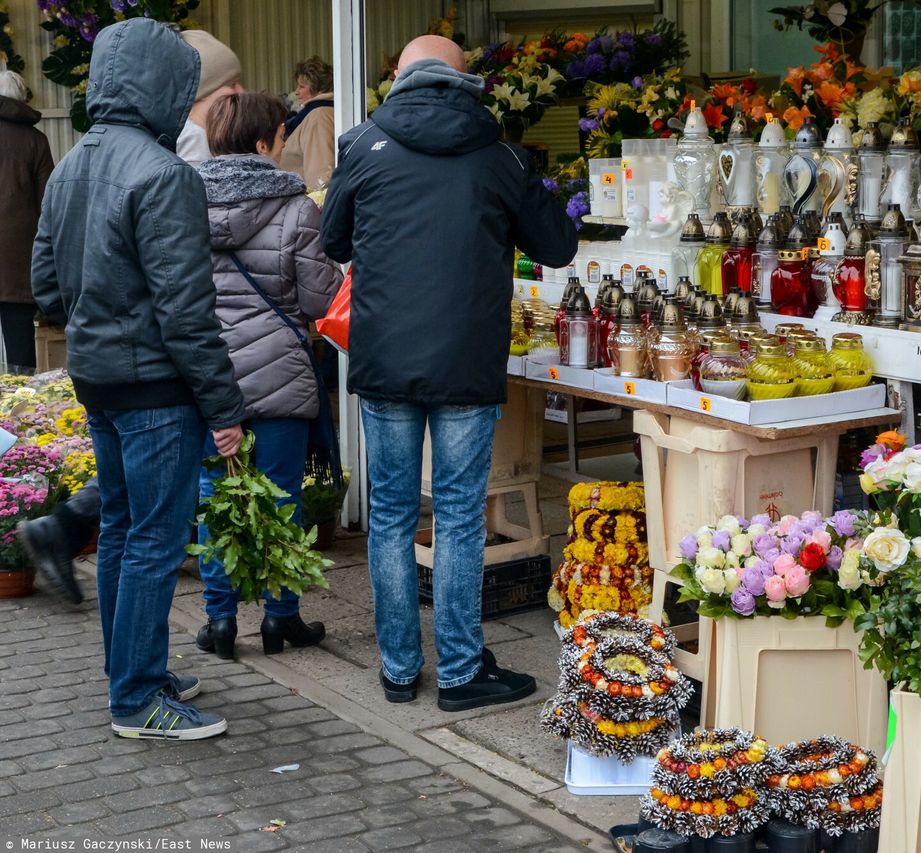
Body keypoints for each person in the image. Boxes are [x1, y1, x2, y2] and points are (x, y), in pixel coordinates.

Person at [321, 35, 576, 710]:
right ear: (467, 83)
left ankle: (399, 669)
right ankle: (461, 673)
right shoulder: (500, 155)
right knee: (460, 516)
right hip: (467, 360)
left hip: (384, 362)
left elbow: (332, 241)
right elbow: (557, 245)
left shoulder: (362, 145)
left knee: (393, 517)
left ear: (400, 78)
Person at [31, 18, 246, 740]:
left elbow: (46, 286)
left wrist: (93, 318)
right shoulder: (164, 175)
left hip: (98, 377)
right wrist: (225, 408)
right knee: (152, 537)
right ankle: (136, 698)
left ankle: (132, 670)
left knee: (123, 526)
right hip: (154, 386)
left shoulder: (70, 163)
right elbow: (188, 312)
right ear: (164, 85)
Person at [194, 92, 342, 659]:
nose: (286, 142)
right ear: (262, 144)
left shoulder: (183, 204)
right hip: (280, 376)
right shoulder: (297, 209)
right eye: (282, 134)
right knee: (282, 500)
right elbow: (321, 299)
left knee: (215, 498)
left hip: (210, 376)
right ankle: (281, 618)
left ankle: (220, 623)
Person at [0, 71, 54, 370]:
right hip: (19, 259)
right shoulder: (36, 140)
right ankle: (21, 412)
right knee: (21, 349)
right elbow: (48, 203)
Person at [176, 30, 243, 166]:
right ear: (202, 93)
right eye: (232, 84)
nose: (241, 91)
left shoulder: (204, 134)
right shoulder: (194, 140)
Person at [280, 56, 335, 190]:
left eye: (302, 87)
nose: (297, 92)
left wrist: (317, 205)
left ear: (319, 89)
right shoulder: (314, 113)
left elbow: (320, 174)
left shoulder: (318, 116)